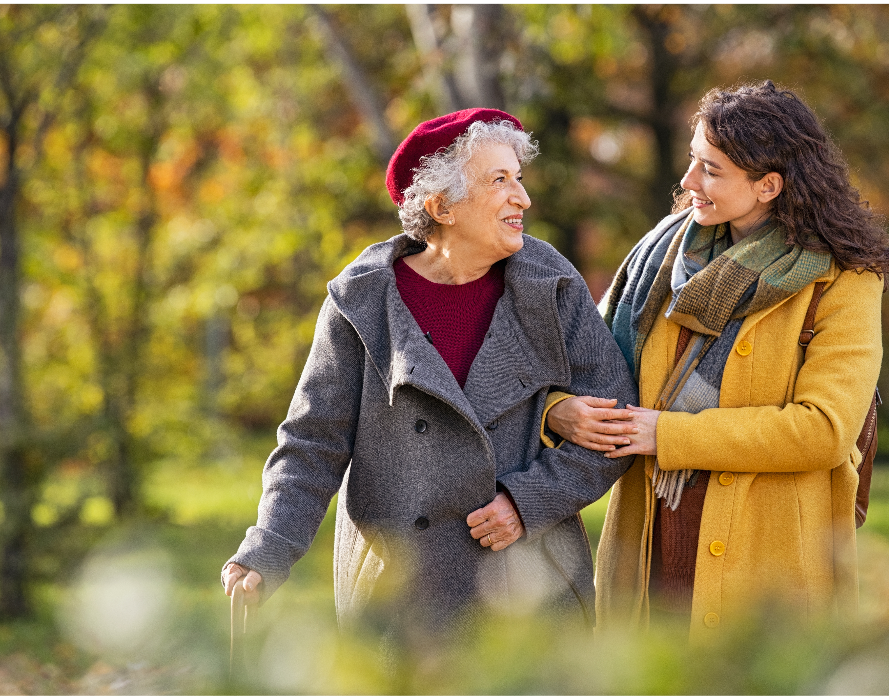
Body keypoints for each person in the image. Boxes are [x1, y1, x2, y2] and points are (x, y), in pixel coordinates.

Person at [221, 108, 637, 638]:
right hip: (402, 593)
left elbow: (615, 420)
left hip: (529, 583)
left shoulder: (549, 282)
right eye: (499, 181)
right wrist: (268, 549)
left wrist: (528, 500)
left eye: (519, 178)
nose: (523, 198)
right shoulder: (362, 299)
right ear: (441, 206)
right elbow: (312, 444)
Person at [545, 81, 889, 639]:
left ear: (768, 185)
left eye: (710, 170)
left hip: (768, 568)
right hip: (648, 552)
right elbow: (579, 367)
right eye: (692, 162)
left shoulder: (845, 279)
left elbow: (825, 430)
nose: (688, 183)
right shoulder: (659, 260)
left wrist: (670, 435)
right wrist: (560, 410)